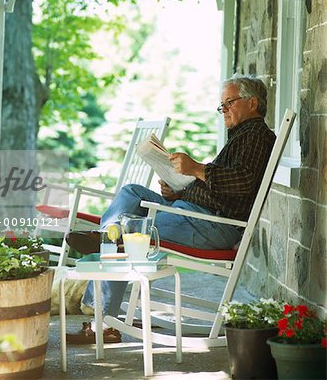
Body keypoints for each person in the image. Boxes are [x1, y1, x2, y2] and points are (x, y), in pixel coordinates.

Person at [66, 75, 276, 344]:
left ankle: (103, 318)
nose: (223, 110)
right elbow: (222, 187)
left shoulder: (257, 136)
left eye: (229, 103)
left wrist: (197, 168)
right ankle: (107, 236)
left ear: (252, 103)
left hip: (212, 225)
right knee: (132, 192)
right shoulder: (241, 137)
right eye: (221, 105)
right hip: (194, 212)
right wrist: (178, 190)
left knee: (128, 237)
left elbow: (242, 181)